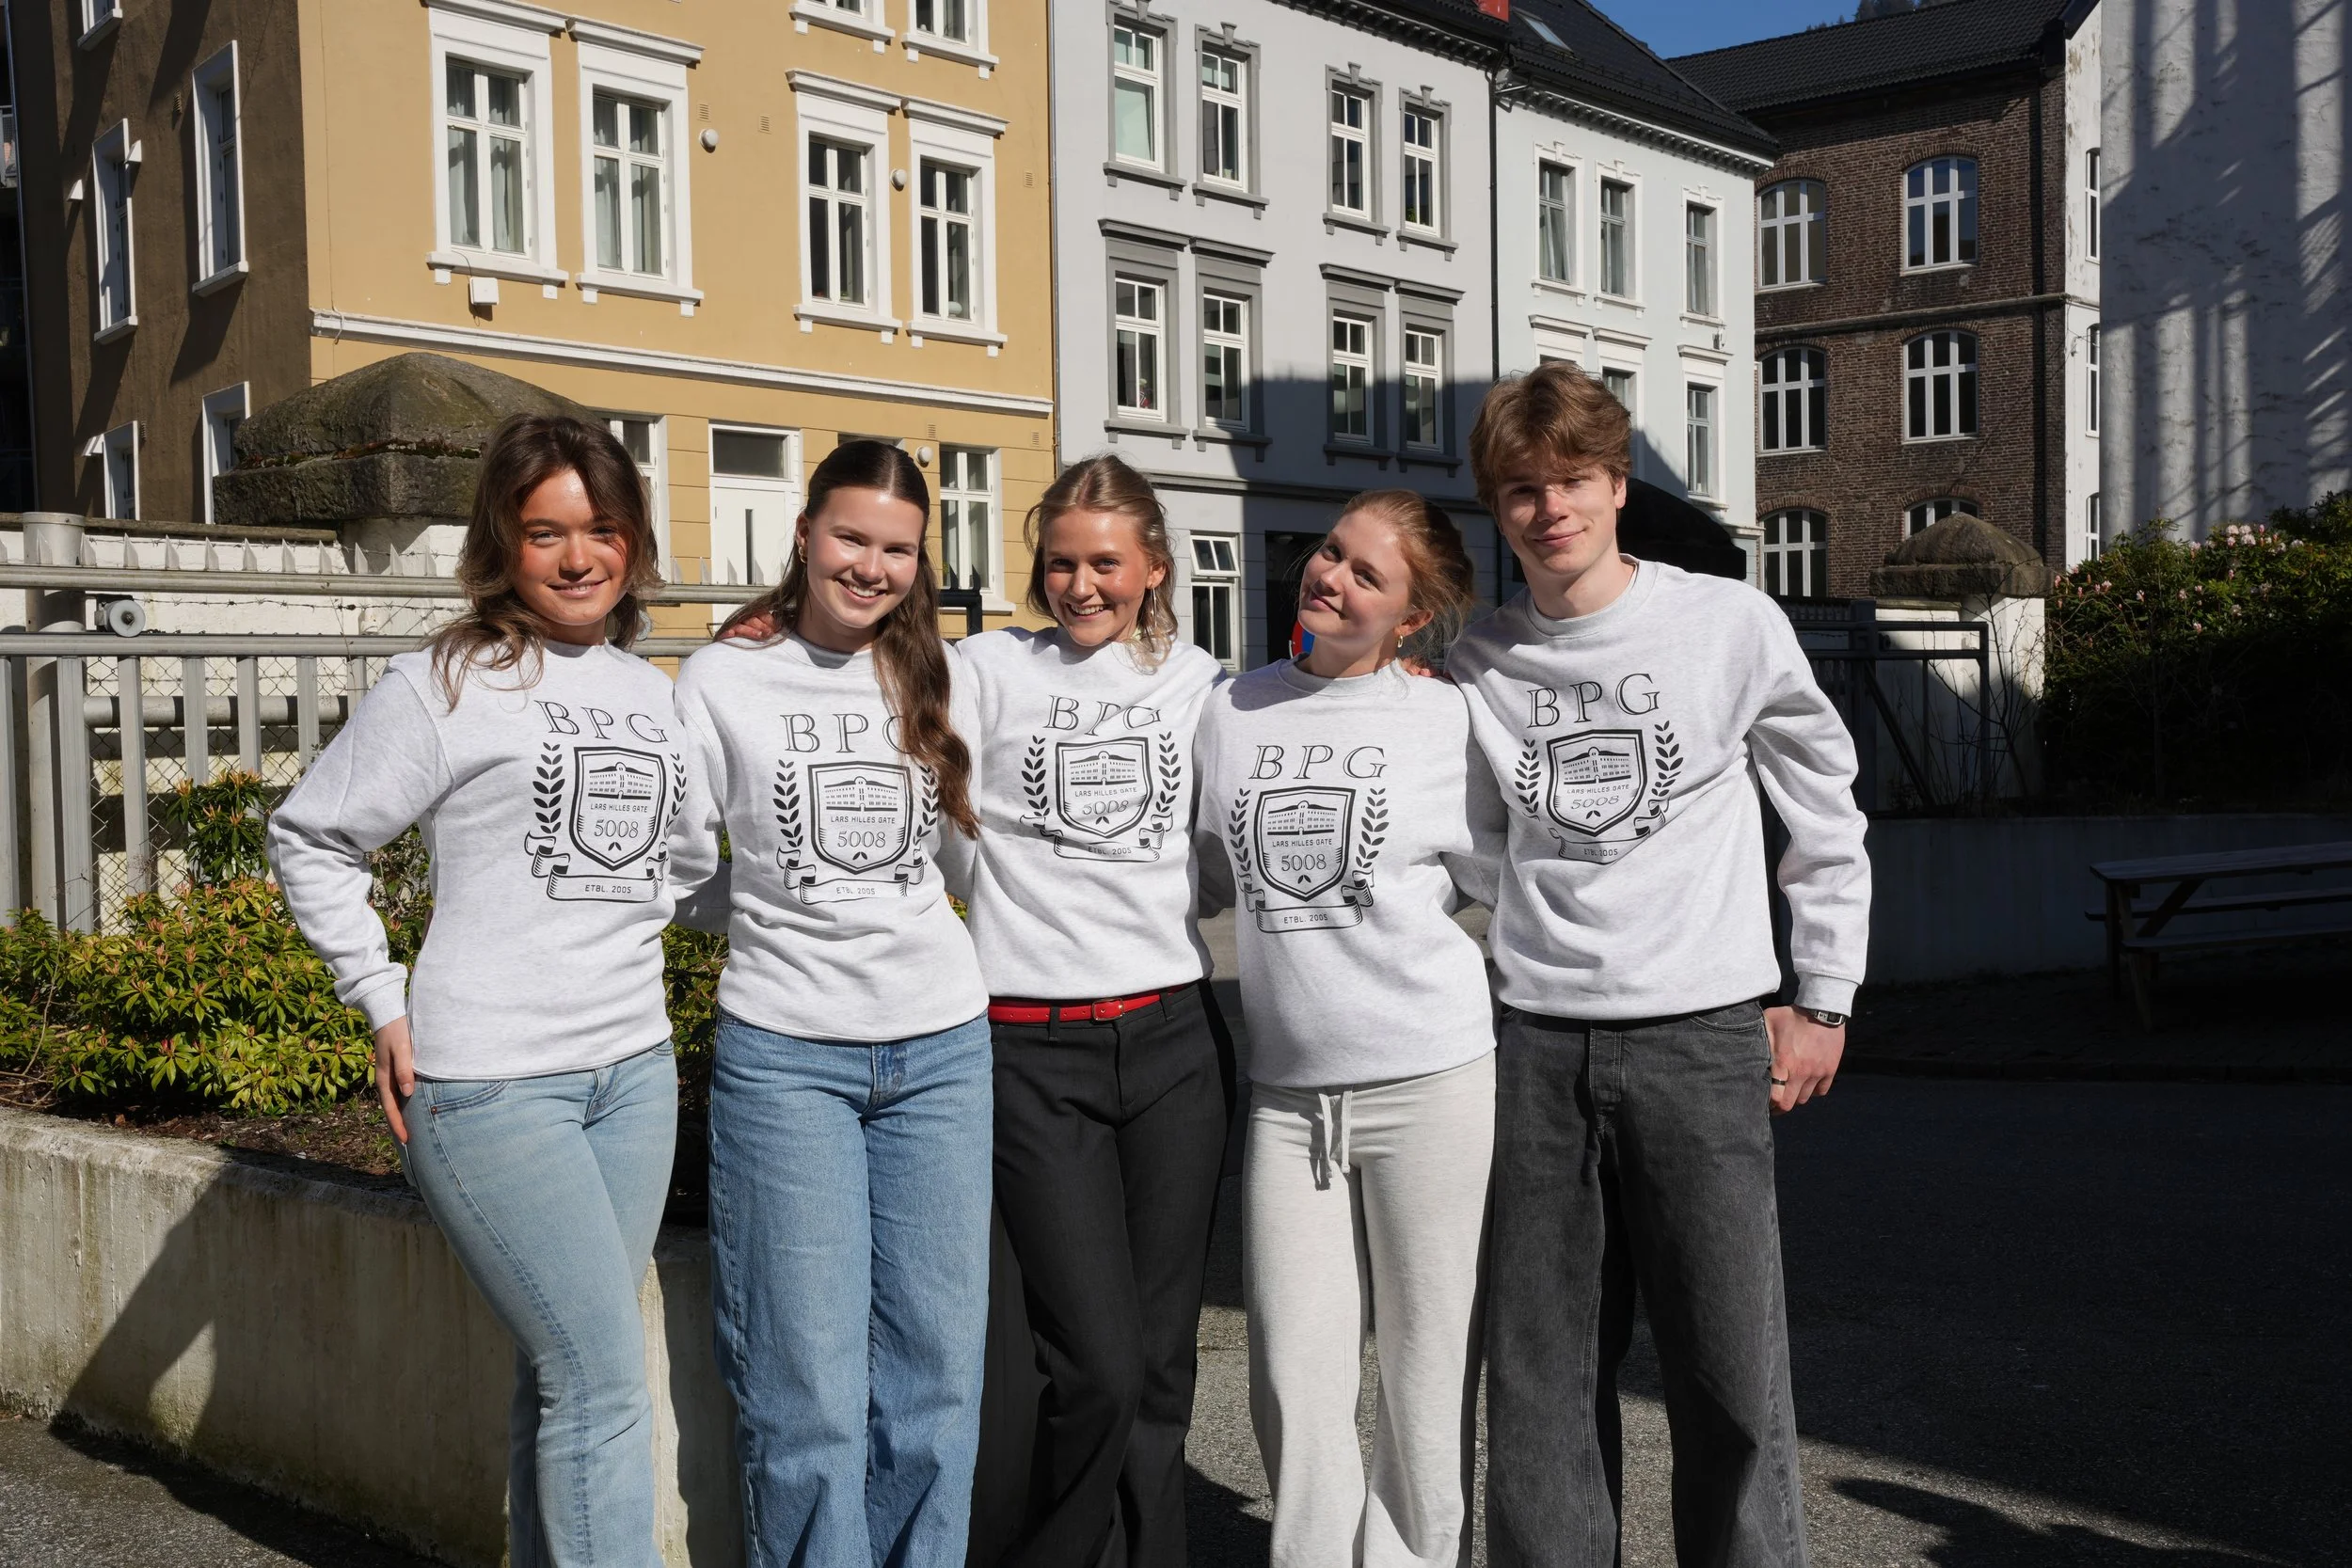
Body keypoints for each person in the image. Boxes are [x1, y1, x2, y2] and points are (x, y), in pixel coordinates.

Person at [1447, 362, 1870, 1568]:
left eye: (1572, 480)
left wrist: (1823, 993)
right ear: (1497, 505)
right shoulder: (1480, 659)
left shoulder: (1726, 624)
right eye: (1522, 489)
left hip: (1699, 1033)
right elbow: (1472, 843)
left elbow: (1823, 803)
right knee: (1539, 1372)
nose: (1550, 509)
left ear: (1617, 484)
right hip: (1536, 1043)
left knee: (1729, 1369)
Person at [268, 413, 685, 1568]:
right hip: (493, 1085)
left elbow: (676, 864)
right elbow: (312, 835)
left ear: (635, 537)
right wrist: (378, 993)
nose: (578, 557)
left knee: (562, 1378)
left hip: (633, 1075)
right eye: (544, 532)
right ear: (501, 543)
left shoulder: (652, 691)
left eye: (602, 528)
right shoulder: (443, 681)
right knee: (600, 1380)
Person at [666, 440, 992, 1568]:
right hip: (787, 1056)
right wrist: (770, 901)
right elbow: (678, 869)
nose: (870, 565)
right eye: (850, 536)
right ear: (804, 533)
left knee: (936, 1379)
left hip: (941, 1051)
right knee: (802, 1386)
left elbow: (965, 862)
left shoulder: (941, 675)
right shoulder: (721, 679)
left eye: (897, 548)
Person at [1193, 491, 1496, 1568]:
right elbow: (1195, 869)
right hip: (1287, 1096)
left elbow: (1508, 880)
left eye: (1368, 574)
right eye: (1332, 552)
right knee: (1293, 1365)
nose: (1331, 576)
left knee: (1426, 1363)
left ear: (1411, 617)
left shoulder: (1447, 720)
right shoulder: (1231, 709)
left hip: (1432, 1079)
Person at [950, 455, 1233, 1568]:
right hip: (1032, 1050)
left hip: (1173, 1042)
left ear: (1153, 566)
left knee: (1160, 1368)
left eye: (1105, 563)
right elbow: (856, 684)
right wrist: (767, 627)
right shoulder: (987, 667)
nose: (1079, 585)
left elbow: (1229, 830)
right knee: (1094, 1365)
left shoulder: (1200, 683)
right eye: (1060, 562)